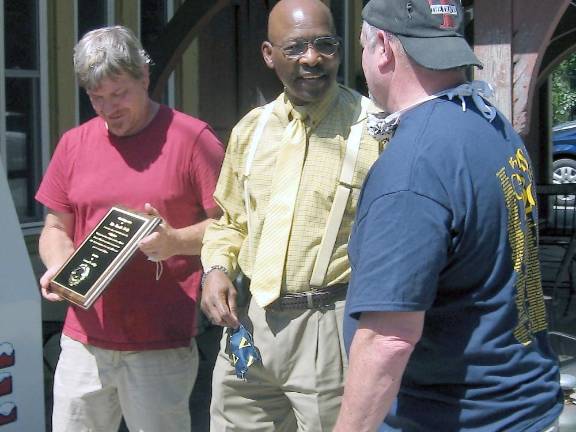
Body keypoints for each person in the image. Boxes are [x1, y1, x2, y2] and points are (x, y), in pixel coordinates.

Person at [334, 1, 563, 431]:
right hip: (522, 406)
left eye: (363, 47)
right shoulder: (491, 125)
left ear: (382, 47)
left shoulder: (414, 168)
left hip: (459, 418)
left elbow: (389, 339)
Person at [200, 0, 386, 430]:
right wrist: (214, 269)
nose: (312, 58)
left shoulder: (375, 129)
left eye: (325, 44)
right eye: (296, 47)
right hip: (249, 323)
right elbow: (229, 221)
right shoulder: (251, 129)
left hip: (328, 324)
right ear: (269, 55)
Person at [36, 26, 224, 432]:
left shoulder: (193, 139)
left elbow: (232, 227)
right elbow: (55, 226)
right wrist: (60, 265)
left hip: (159, 343)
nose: (108, 109)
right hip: (83, 341)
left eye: (118, 93)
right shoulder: (73, 144)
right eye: (96, 98)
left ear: (144, 75)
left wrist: (176, 241)